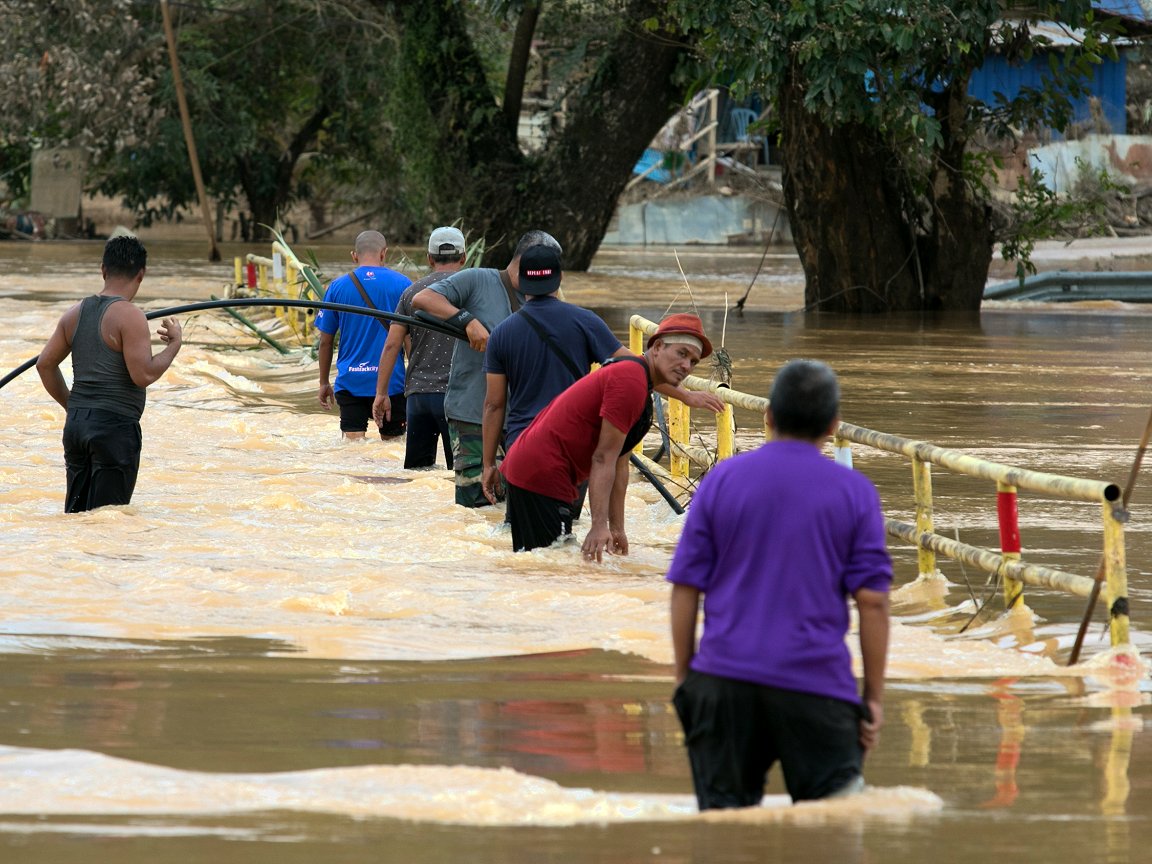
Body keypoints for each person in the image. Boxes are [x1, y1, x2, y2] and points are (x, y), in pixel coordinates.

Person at [666, 359, 892, 810]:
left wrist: (687, 680)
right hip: (817, 688)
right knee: (832, 832)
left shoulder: (722, 481)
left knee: (724, 833)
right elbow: (873, 604)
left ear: (768, 416)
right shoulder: (854, 492)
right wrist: (872, 699)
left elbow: (686, 588)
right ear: (833, 425)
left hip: (723, 682)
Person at [479, 246, 725, 510]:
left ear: (520, 280)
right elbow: (637, 367)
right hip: (573, 446)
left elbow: (494, 405)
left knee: (526, 539)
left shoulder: (501, 334)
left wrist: (489, 464)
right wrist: (685, 396)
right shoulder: (585, 322)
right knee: (565, 535)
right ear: (560, 279)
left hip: (523, 448)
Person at [498, 313, 711, 557]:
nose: (687, 366)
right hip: (541, 472)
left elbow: (620, 464)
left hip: (538, 469)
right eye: (682, 354)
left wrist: (617, 528)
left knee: (545, 564)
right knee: (549, 569)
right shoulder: (630, 381)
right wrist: (598, 526)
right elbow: (603, 458)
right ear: (658, 347)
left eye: (693, 362)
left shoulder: (639, 382)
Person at [35, 234, 183, 512]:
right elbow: (144, 375)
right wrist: (174, 345)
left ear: (103, 270)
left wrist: (73, 405)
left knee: (78, 516)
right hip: (113, 430)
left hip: (77, 427)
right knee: (108, 523)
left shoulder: (73, 314)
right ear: (141, 274)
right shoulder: (131, 316)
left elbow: (44, 365)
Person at [411, 229, 557, 507]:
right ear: (523, 260)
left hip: (521, 421)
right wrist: (467, 321)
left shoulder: (545, 298)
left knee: (513, 508)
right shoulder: (477, 279)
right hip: (473, 415)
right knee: (477, 508)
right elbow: (423, 300)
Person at [371, 226, 465, 469]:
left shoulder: (412, 292)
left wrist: (381, 394)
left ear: (429, 259)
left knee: (418, 473)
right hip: (457, 398)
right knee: (460, 476)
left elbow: (392, 345)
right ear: (464, 257)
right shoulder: (473, 291)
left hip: (418, 397)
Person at [315, 230, 411, 439]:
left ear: (354, 255)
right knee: (394, 451)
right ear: (384, 253)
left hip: (350, 382)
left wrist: (323, 382)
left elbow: (325, 342)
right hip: (391, 385)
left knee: (353, 453)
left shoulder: (337, 287)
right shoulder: (403, 284)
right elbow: (410, 339)